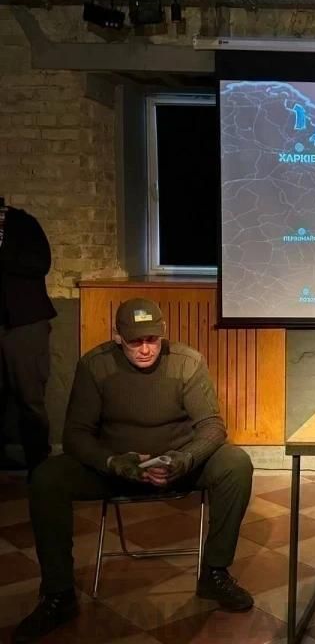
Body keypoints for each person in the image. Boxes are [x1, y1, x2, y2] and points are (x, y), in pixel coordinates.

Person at [14, 298, 254, 643]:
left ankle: (215, 573)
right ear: (117, 336)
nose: (145, 349)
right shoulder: (95, 365)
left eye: (152, 340)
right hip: (116, 468)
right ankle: (58, 593)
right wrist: (113, 462)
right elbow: (76, 435)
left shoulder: (187, 362)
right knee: (46, 478)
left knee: (236, 463)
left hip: (178, 464)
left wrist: (184, 459)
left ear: (163, 333)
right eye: (135, 341)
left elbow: (212, 427)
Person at [0, 199, 56, 474]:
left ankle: (39, 464)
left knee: (30, 397)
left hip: (25, 322)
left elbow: (41, 263)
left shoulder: (22, 223)